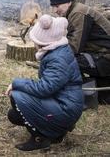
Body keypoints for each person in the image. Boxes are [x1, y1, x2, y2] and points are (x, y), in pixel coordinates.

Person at [5, 14, 83, 151]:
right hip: (64, 103)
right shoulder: (57, 52)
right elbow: (49, 85)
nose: (34, 43)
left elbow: (44, 88)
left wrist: (16, 83)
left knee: (16, 95)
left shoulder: (58, 59)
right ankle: (55, 133)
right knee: (14, 114)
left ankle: (40, 139)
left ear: (44, 42)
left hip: (66, 109)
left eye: (35, 40)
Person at [50, 0, 110, 104]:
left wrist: (52, 54)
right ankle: (83, 91)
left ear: (68, 2)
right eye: (53, 7)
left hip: (105, 57)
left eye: (57, 6)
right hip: (100, 53)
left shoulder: (78, 13)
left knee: (66, 60)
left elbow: (74, 47)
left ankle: (73, 94)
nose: (55, 10)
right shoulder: (74, 11)